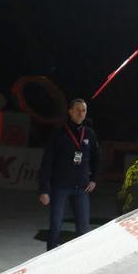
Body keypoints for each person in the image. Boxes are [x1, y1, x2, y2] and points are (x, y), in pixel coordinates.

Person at [37, 98, 100, 250]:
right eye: (77, 110)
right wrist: (44, 189)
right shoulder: (58, 133)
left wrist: (94, 179)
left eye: (83, 110)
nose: (81, 113)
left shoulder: (89, 134)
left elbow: (97, 158)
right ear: (70, 112)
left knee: (84, 229)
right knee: (56, 226)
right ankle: (50, 260)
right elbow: (47, 162)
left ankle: (78, 261)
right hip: (60, 187)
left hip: (82, 188)